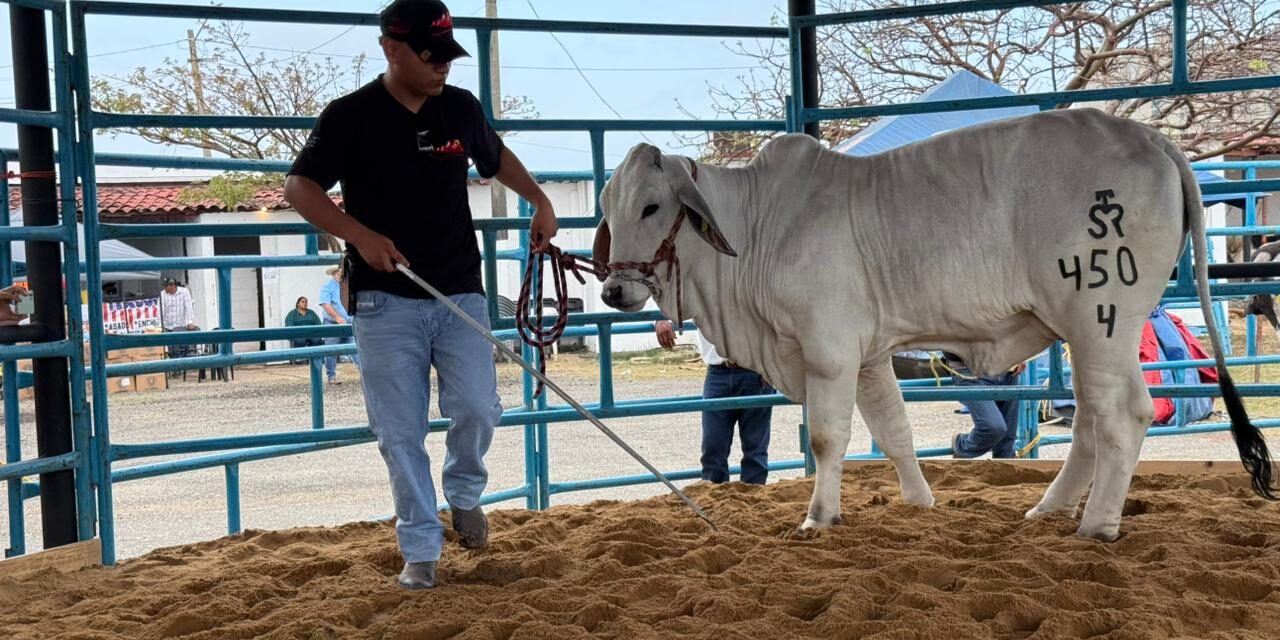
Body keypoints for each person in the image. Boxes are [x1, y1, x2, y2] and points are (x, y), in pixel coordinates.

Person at [283, 0, 558, 590]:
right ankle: (420, 547)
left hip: (461, 290)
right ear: (391, 47)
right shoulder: (350, 115)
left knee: (479, 406)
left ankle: (464, 492)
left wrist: (539, 199)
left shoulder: (459, 107)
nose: (441, 67)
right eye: (429, 56)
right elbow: (300, 187)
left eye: (447, 56)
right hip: (384, 299)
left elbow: (495, 156)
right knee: (400, 432)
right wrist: (360, 236)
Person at [655, 320, 775, 485]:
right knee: (713, 447)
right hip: (718, 372)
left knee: (755, 449)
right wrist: (660, 318)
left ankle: (754, 496)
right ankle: (715, 495)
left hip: (756, 370)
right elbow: (677, 304)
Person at [946, 353, 1025, 459]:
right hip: (970, 370)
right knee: (993, 428)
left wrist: (1020, 354)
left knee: (1007, 442)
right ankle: (961, 446)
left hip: (1007, 367)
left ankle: (1005, 465)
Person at [318, 266, 359, 384]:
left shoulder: (348, 286)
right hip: (333, 324)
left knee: (355, 348)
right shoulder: (327, 287)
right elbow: (326, 304)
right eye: (339, 273)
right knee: (331, 350)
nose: (341, 274)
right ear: (333, 274)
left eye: (342, 272)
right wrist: (337, 317)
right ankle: (331, 376)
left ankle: (363, 374)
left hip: (349, 323)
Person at [285, 296, 323, 362]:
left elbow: (318, 323)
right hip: (298, 334)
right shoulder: (292, 314)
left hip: (311, 333)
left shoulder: (311, 313)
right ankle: (300, 358)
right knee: (300, 341)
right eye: (302, 302)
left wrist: (316, 332)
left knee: (317, 340)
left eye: (306, 302)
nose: (305, 303)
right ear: (297, 304)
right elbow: (289, 325)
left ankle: (314, 358)